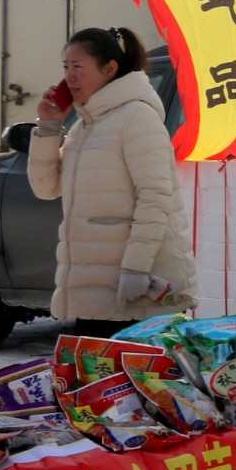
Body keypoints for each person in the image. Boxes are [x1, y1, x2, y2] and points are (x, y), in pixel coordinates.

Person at [28, 27, 196, 331]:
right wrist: (49, 127)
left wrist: (136, 269)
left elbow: (156, 197)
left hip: (137, 289)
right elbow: (45, 188)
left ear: (110, 69)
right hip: (94, 289)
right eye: (65, 67)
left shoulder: (136, 117)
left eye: (78, 67)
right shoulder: (85, 125)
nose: (69, 77)